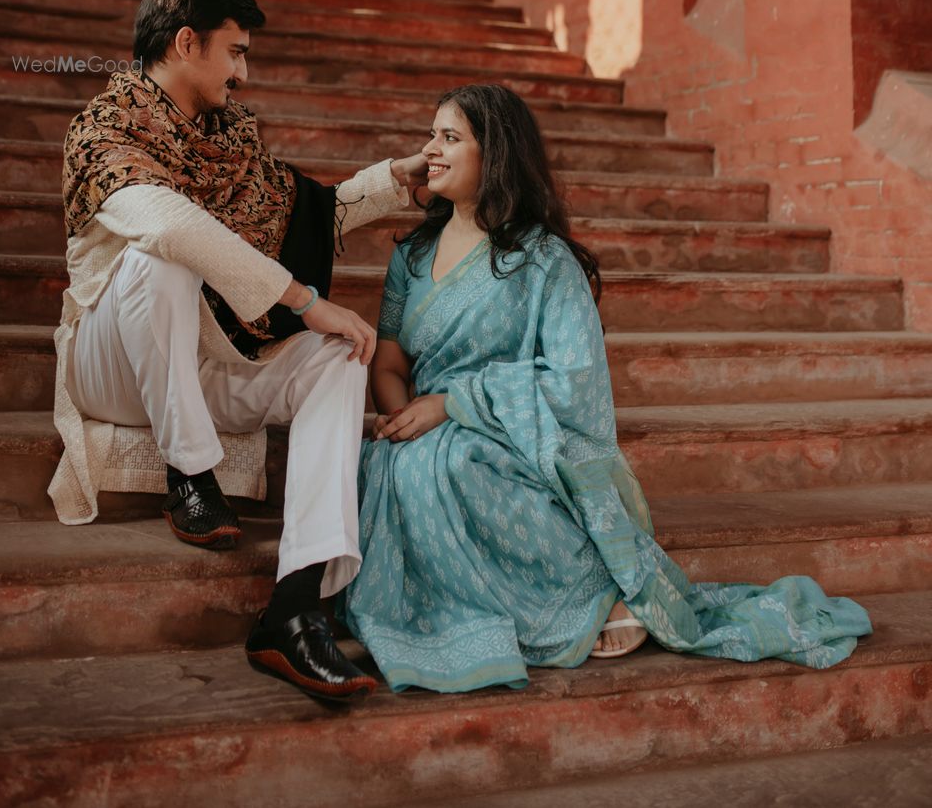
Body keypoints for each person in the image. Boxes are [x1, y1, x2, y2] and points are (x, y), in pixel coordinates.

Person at [341, 83, 872, 693]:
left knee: (460, 462)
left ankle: (592, 598)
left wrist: (455, 405)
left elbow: (575, 379)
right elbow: (389, 362)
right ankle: (460, 615)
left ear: (497, 155)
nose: (430, 150)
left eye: (450, 137)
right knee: (394, 465)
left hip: (517, 434)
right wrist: (405, 421)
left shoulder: (544, 260)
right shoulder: (412, 256)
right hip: (422, 423)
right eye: (432, 135)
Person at [49, 0, 427, 700]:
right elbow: (167, 222)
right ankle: (191, 475)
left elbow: (312, 210)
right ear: (187, 42)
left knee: (340, 353)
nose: (244, 73)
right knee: (160, 256)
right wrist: (303, 298)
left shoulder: (231, 145)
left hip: (204, 359)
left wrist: (396, 179)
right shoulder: (102, 129)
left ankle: (295, 606)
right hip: (110, 365)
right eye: (235, 52)